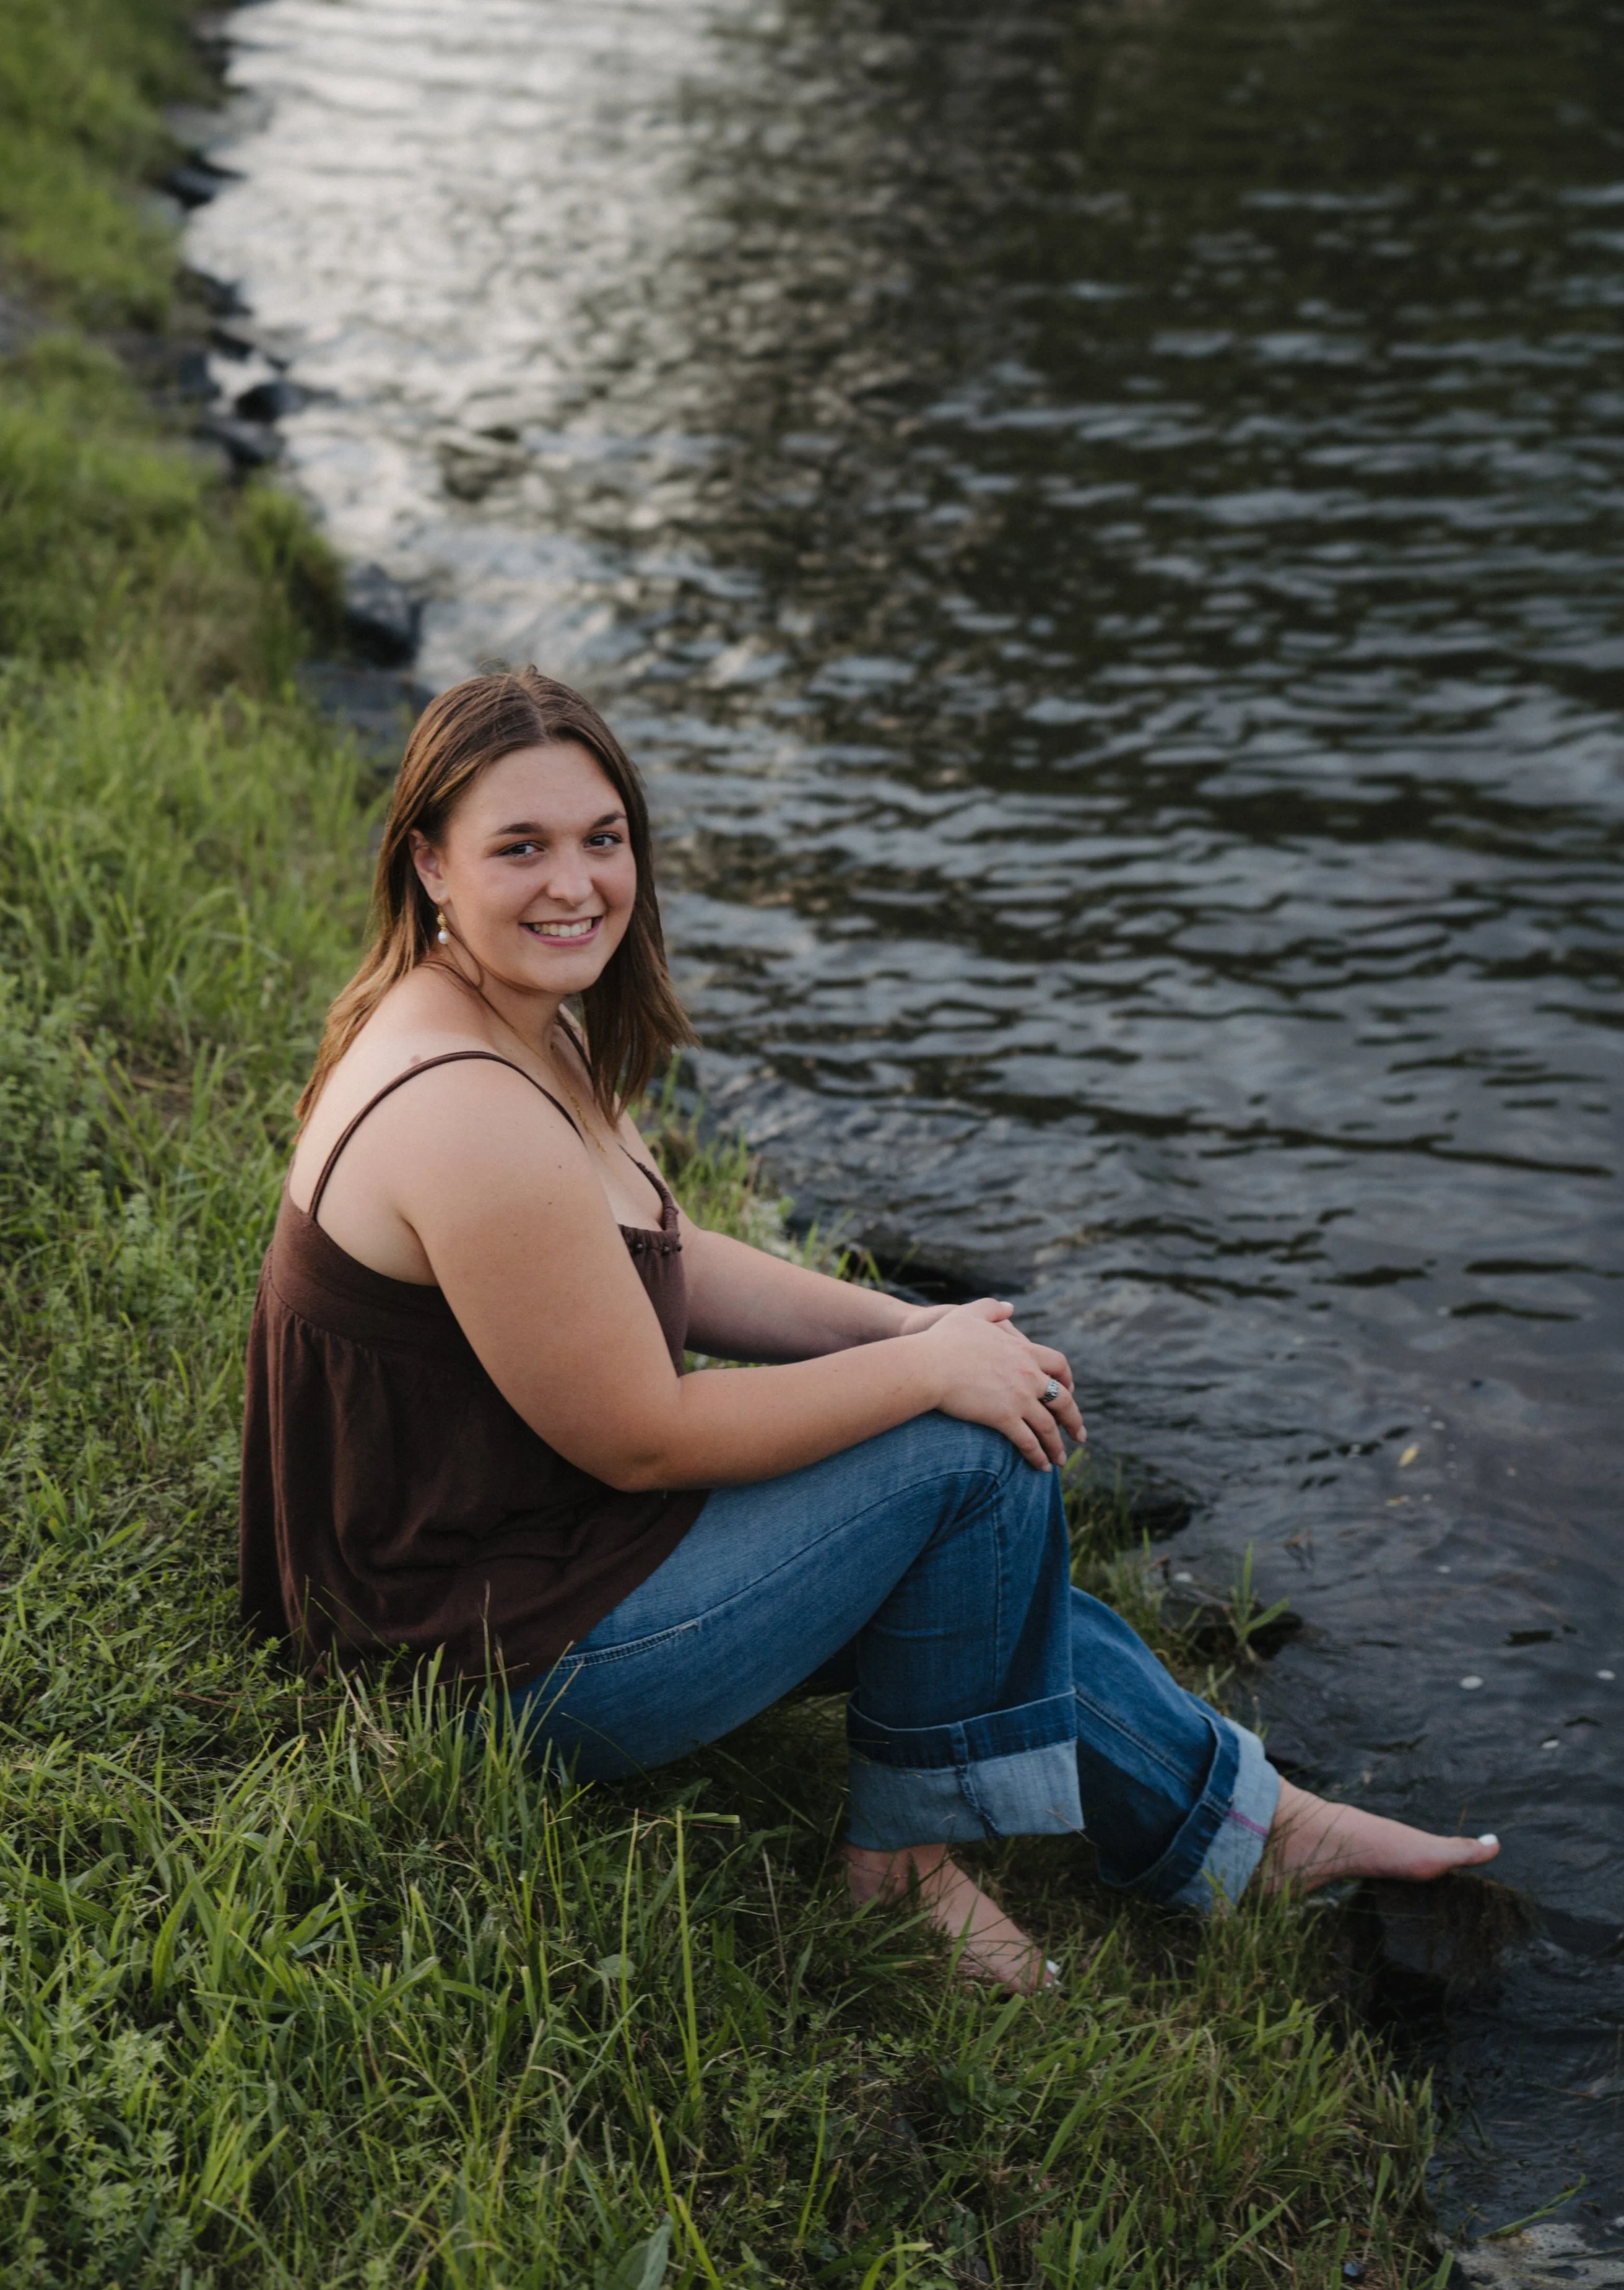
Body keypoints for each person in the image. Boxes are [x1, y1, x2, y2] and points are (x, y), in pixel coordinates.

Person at [241, 668, 1500, 1991]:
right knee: (969, 1465)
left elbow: (665, 1257)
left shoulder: (509, 1015)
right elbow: (642, 1438)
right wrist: (921, 1375)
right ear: (431, 864)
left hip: (536, 1554)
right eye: (521, 847)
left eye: (601, 839)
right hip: (484, 1652)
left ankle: (1259, 1830)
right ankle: (899, 1879)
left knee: (987, 1543)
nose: (575, 884)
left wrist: (907, 1325)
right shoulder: (465, 1108)